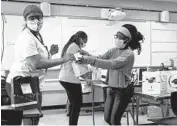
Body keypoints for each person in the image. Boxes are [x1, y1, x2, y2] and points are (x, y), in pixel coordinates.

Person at [6, 5, 74, 125]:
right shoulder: (26, 38)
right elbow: (36, 63)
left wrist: (50, 53)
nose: (36, 21)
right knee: (31, 117)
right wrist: (63, 59)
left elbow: (38, 57)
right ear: (25, 19)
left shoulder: (36, 35)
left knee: (34, 117)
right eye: (32, 18)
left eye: (39, 17)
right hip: (22, 84)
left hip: (32, 83)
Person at [79, 24, 144, 125]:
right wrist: (86, 54)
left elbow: (112, 64)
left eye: (120, 37)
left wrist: (89, 60)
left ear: (127, 40)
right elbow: (101, 58)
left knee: (115, 120)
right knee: (107, 118)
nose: (117, 39)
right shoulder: (113, 50)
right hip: (112, 88)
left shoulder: (128, 54)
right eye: (116, 36)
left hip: (122, 91)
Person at [59, 31, 88, 125]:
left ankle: (72, 124)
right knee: (77, 104)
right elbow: (77, 64)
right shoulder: (74, 46)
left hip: (64, 77)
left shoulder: (70, 45)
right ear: (80, 38)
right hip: (70, 79)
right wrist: (87, 77)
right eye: (84, 41)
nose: (84, 44)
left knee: (73, 104)